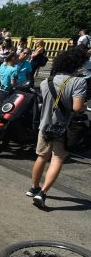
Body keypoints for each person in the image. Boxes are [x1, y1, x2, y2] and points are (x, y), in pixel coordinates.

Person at [27, 49, 87, 208]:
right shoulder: (78, 82)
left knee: (41, 157)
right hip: (63, 128)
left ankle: (34, 187)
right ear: (76, 65)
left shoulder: (46, 81)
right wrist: (84, 106)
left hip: (45, 125)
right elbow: (77, 107)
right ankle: (43, 193)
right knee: (58, 158)